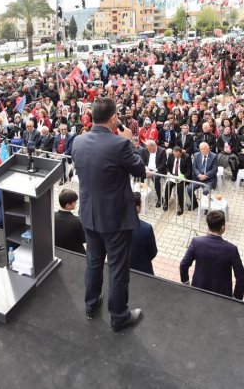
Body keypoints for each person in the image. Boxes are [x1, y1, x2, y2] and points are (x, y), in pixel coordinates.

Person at [71, 97, 148, 332]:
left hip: (89, 214)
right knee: (117, 267)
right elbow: (140, 170)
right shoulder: (120, 145)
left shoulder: (78, 141)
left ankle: (91, 305)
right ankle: (118, 316)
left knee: (93, 262)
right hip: (114, 219)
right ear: (114, 117)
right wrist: (131, 142)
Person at [180, 209, 244, 300]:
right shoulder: (231, 249)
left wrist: (186, 283)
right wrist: (236, 299)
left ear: (208, 226)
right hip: (222, 296)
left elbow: (183, 265)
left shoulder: (196, 242)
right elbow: (241, 278)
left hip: (198, 290)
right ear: (223, 228)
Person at [130, 191, 157, 275]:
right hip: (143, 271)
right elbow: (153, 252)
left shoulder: (116, 225)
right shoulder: (146, 229)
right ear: (137, 208)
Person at [186, 141, 218, 207]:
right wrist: (199, 175)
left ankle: (206, 206)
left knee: (206, 191)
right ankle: (194, 204)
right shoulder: (196, 155)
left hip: (209, 179)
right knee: (189, 189)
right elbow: (194, 167)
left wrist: (205, 176)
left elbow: (214, 170)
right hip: (198, 178)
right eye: (201, 149)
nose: (202, 150)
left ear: (208, 148)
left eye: (204, 149)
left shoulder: (214, 156)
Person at [54, 189, 86, 255]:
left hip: (57, 250)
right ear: (68, 205)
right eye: (75, 202)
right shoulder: (77, 221)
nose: (76, 203)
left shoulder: (51, 215)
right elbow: (84, 240)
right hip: (74, 253)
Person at [163, 145, 191, 214]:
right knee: (168, 184)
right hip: (173, 176)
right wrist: (168, 172)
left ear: (181, 153)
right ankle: (166, 202)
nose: (176, 157)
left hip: (182, 176)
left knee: (179, 187)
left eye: (178, 155)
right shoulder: (171, 156)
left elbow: (189, 170)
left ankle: (181, 206)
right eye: (175, 155)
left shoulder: (187, 157)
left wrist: (184, 177)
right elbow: (167, 167)